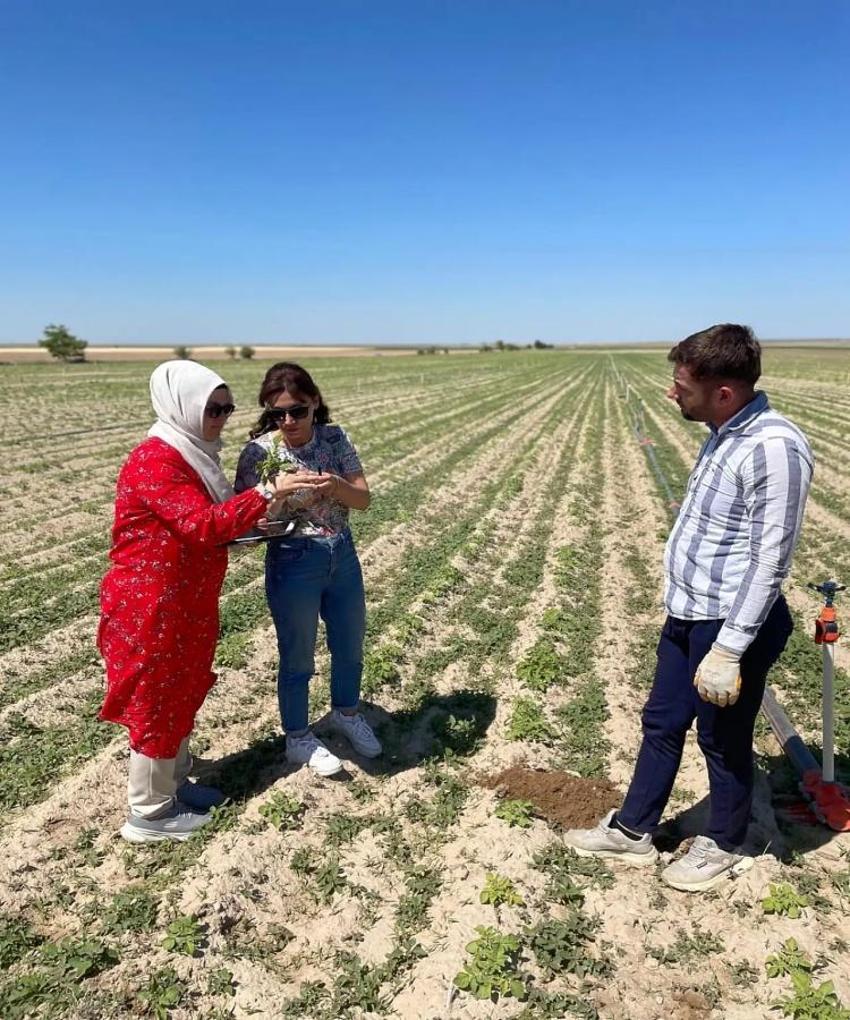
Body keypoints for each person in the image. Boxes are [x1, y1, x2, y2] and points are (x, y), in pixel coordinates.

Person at [565, 324, 813, 892]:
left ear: (724, 391)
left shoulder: (772, 448)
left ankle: (725, 841)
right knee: (662, 722)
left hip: (729, 625)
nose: (671, 394)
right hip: (689, 613)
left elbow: (769, 560)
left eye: (682, 385)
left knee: (721, 738)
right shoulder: (725, 430)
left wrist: (729, 648)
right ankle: (633, 830)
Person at [98, 360, 303, 843]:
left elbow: (209, 526)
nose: (221, 417)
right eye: (212, 408)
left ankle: (174, 785)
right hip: (151, 603)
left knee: (183, 689)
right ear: (182, 406)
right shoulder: (156, 459)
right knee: (157, 696)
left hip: (186, 599)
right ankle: (148, 813)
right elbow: (200, 525)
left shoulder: (194, 455)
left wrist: (253, 527)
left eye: (227, 408)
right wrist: (266, 492)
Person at [234, 362, 380, 778]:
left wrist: (334, 485)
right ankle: (298, 736)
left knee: (350, 645)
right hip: (294, 560)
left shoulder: (335, 438)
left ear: (314, 402)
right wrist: (275, 499)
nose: (287, 421)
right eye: (276, 412)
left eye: (296, 410)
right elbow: (247, 519)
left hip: (342, 554)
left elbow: (363, 499)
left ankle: (346, 713)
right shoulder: (260, 453)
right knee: (298, 657)